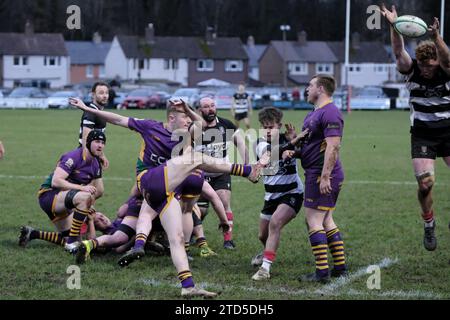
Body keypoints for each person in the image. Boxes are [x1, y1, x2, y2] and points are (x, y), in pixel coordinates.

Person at [69, 97, 266, 298]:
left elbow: (200, 123)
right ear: (171, 118)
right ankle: (247, 170)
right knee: (194, 159)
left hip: (166, 192)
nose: (189, 123)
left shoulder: (185, 136)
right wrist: (86, 109)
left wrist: (187, 109)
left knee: (177, 238)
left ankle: (187, 285)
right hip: (148, 180)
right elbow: (118, 119)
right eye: (184, 120)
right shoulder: (150, 127)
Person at [381, 5, 450, 251]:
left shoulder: (446, 70)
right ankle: (429, 223)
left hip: (448, 132)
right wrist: (394, 25)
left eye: (430, 65)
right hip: (423, 135)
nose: (427, 70)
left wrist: (436, 37)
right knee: (425, 184)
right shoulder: (412, 71)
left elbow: (447, 58)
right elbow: (399, 51)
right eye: (424, 66)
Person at [286, 74, 347, 283]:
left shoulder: (330, 112)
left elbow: (333, 146)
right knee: (326, 219)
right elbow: (312, 147)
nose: (306, 89)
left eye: (310, 85)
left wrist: (325, 177)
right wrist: (294, 149)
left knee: (313, 220)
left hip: (321, 174)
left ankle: (322, 273)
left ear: (320, 89)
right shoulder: (315, 112)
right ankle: (340, 267)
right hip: (317, 171)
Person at [18, 130, 107, 253]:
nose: (100, 145)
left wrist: (87, 207)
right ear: (88, 143)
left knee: (77, 241)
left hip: (65, 199)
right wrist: (82, 191)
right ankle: (71, 243)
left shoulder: (96, 163)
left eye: (103, 142)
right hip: (48, 195)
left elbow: (100, 191)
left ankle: (33, 233)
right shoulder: (73, 157)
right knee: (84, 198)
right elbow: (56, 181)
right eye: (97, 141)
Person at [251, 107, 306, 281]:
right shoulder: (259, 143)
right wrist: (292, 142)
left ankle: (265, 268)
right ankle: (267, 251)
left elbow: (303, 152)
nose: (267, 131)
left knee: (275, 224)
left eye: (271, 127)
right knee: (263, 234)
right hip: (271, 196)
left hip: (292, 192)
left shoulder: (287, 138)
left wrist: (297, 142)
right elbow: (273, 154)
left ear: (279, 126)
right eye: (264, 127)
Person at [195, 96, 249, 249]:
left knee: (224, 202)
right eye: (206, 106)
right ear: (200, 110)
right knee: (201, 210)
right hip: (200, 174)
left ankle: (228, 240)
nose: (210, 109)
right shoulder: (193, 128)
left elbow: (240, 143)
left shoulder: (226, 124)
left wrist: (247, 165)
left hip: (221, 172)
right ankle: (194, 232)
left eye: (212, 105)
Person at [78, 82, 110, 169]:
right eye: (101, 93)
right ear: (93, 95)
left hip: (93, 154)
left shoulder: (99, 112)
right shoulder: (91, 112)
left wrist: (101, 155)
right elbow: (86, 137)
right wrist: (87, 159)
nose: (105, 96)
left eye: (106, 93)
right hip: (85, 155)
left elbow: (97, 139)